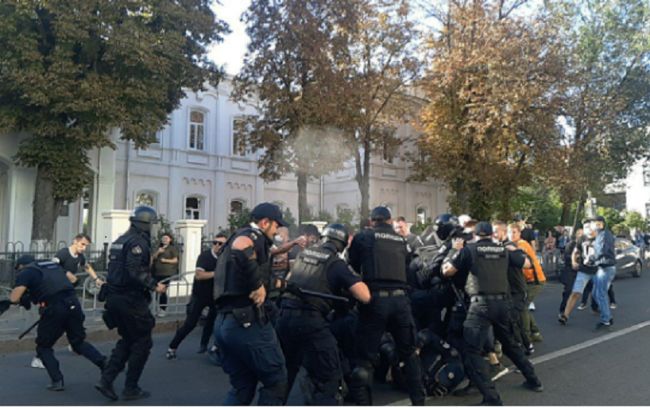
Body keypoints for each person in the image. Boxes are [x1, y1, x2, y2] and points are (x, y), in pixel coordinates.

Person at [442, 222, 543, 405]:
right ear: (491, 234)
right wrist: (515, 250)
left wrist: (452, 251)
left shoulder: (469, 250)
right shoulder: (503, 250)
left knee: (472, 350)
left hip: (480, 306)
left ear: (475, 234)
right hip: (503, 304)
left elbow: (447, 271)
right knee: (510, 344)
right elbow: (527, 263)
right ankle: (534, 379)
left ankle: (491, 398)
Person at [276, 224, 371, 405]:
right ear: (342, 244)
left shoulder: (303, 255)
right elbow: (364, 296)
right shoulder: (335, 262)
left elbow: (289, 280)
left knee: (285, 375)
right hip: (311, 322)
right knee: (329, 378)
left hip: (284, 318)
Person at [347, 206, 425, 406]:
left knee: (365, 358)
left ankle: (364, 404)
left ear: (372, 221)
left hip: (375, 301)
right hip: (401, 301)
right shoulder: (401, 240)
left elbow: (352, 263)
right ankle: (419, 402)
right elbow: (408, 266)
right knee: (409, 354)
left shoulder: (365, 237)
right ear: (390, 221)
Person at [212, 202, 289, 405]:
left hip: (225, 323)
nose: (276, 231)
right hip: (246, 323)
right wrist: (258, 284)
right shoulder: (250, 235)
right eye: (275, 226)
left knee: (243, 385)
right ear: (265, 222)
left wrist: (279, 283)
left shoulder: (238, 240)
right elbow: (242, 245)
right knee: (276, 381)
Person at [95, 205, 166, 401]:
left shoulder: (120, 240)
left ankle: (106, 380)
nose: (153, 228)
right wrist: (154, 285)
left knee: (128, 339)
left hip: (116, 298)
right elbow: (134, 271)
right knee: (143, 342)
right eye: (151, 224)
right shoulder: (137, 243)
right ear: (144, 224)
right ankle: (131, 387)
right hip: (130, 299)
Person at [8, 255, 106, 391]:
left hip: (54, 309)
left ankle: (57, 380)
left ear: (22, 265)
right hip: (73, 304)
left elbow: (14, 298)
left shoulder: (27, 272)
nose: (19, 271)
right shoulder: (51, 265)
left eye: (18, 268)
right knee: (78, 342)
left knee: (43, 347)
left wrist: (30, 295)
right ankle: (104, 364)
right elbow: (74, 279)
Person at [166, 233, 227, 359]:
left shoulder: (226, 258)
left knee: (214, 321)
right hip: (200, 295)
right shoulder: (205, 256)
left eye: (220, 243)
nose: (217, 245)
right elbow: (199, 275)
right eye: (215, 242)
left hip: (216, 296)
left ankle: (204, 345)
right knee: (190, 323)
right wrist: (217, 273)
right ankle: (172, 347)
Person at [512, 224, 546, 352]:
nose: (512, 235)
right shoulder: (514, 245)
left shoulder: (521, 244)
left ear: (519, 233)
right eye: (510, 233)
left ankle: (526, 336)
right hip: (528, 281)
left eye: (514, 232)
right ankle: (535, 332)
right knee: (523, 305)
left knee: (522, 306)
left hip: (536, 280)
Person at [558, 220, 598, 325]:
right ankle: (565, 315)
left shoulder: (600, 238)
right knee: (575, 292)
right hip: (584, 270)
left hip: (597, 270)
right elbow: (575, 252)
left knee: (598, 292)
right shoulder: (581, 239)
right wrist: (573, 261)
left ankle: (601, 312)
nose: (588, 229)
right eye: (586, 227)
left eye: (590, 227)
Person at [590, 216, 617, 329]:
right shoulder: (603, 234)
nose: (592, 226)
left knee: (600, 294)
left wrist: (592, 258)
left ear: (600, 224)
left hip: (605, 267)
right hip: (602, 266)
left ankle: (606, 319)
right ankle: (606, 315)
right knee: (596, 293)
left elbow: (601, 250)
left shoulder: (603, 235)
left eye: (594, 223)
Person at [152, 233, 179, 317]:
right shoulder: (158, 248)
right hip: (156, 272)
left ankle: (163, 309)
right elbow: (153, 257)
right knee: (156, 291)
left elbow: (175, 260)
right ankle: (157, 308)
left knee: (163, 291)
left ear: (170, 239)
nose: (164, 239)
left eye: (166, 238)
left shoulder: (172, 249)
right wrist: (158, 252)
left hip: (166, 273)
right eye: (163, 238)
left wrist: (165, 260)